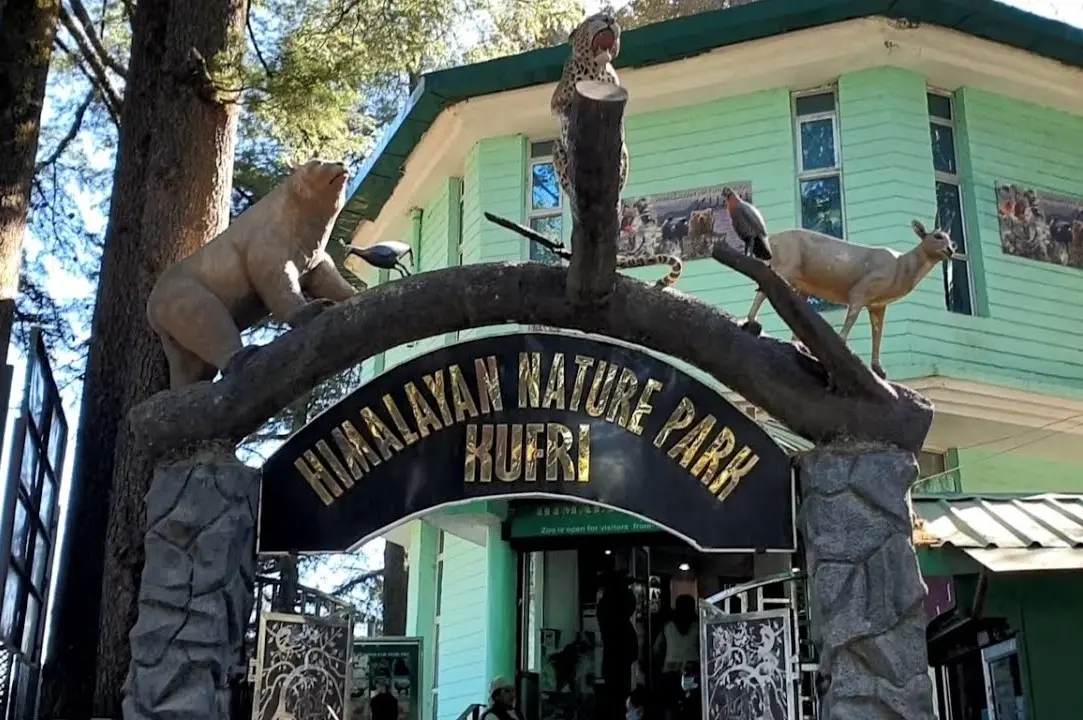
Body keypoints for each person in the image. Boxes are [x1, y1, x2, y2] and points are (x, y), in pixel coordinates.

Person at [652, 595, 700, 720]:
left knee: (669, 708)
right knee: (692, 708)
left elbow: (657, 649)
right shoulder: (698, 626)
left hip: (669, 672)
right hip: (691, 670)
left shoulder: (667, 627)